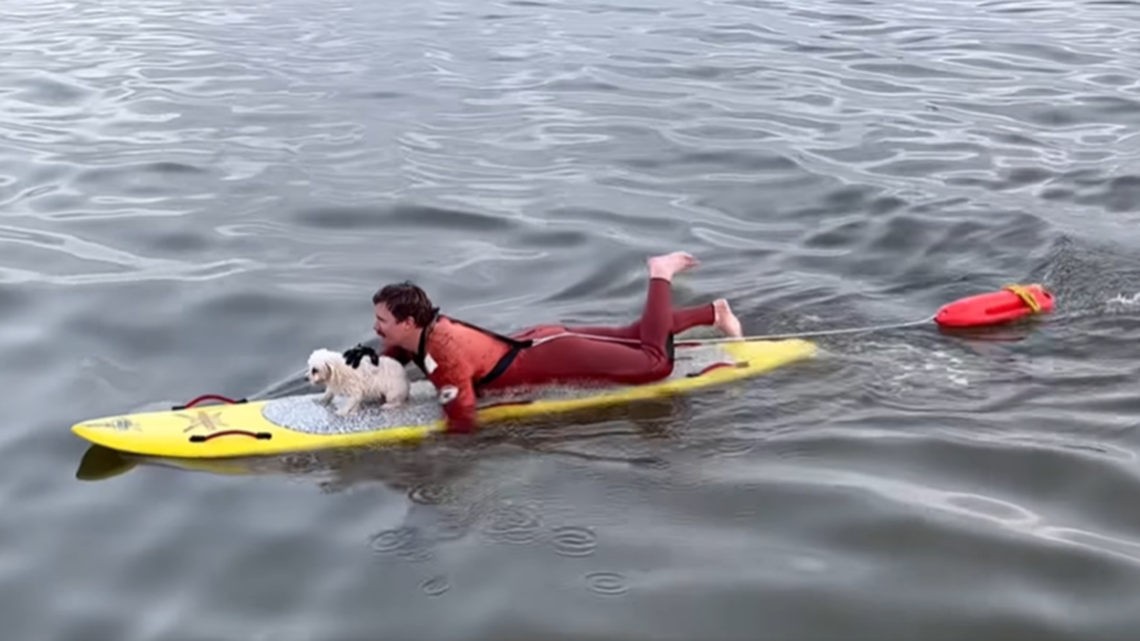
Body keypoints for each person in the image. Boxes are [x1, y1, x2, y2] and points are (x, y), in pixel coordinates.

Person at [343, 251, 743, 434]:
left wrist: (432, 456)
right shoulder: (422, 331)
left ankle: (661, 272)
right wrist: (373, 367)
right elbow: (400, 352)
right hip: (541, 343)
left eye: (381, 321)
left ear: (409, 321)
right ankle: (714, 313)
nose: (376, 327)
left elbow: (462, 418)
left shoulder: (442, 354)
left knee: (655, 363)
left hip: (554, 353)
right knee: (635, 336)